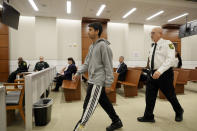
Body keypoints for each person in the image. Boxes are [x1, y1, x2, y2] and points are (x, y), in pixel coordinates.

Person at [73, 22, 123, 131]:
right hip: (92, 79)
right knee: (104, 102)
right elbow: (86, 63)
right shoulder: (92, 46)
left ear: (97, 31)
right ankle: (116, 121)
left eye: (90, 29)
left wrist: (109, 83)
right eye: (88, 29)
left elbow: (108, 66)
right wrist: (78, 73)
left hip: (98, 81)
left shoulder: (103, 46)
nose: (88, 32)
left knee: (89, 106)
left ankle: (79, 128)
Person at [137, 27, 184, 123]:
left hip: (164, 74)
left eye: (153, 33)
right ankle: (148, 116)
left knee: (170, 95)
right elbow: (151, 60)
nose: (151, 35)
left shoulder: (168, 43)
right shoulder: (153, 46)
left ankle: (179, 111)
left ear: (160, 34)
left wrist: (159, 71)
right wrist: (150, 71)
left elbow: (170, 60)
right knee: (149, 96)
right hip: (152, 74)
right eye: (151, 33)